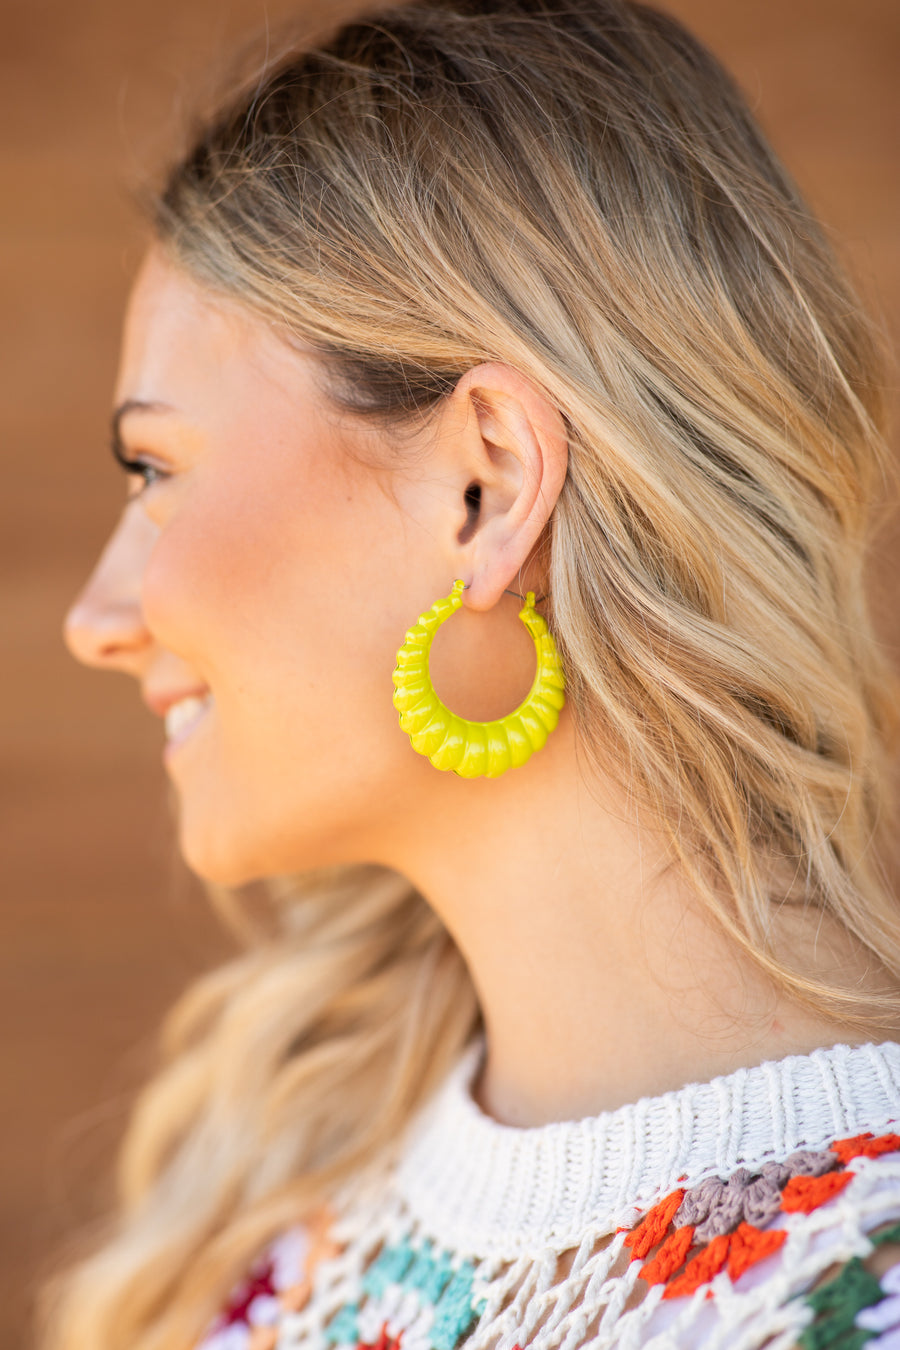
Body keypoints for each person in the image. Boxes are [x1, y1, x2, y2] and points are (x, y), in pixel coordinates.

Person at [49, 0, 900, 1346]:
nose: (94, 619)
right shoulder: (298, 1187)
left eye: (154, 469)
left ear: (486, 487)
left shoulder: (858, 1291)